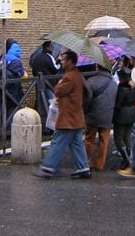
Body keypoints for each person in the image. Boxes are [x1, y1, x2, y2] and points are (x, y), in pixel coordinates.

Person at [33, 50, 92, 179]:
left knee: (57, 142)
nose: (61, 61)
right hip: (76, 116)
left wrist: (59, 84)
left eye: (64, 59)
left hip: (68, 117)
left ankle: (48, 167)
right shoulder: (77, 74)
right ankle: (83, 168)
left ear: (70, 61)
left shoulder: (70, 76)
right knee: (76, 143)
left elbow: (59, 91)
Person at [84, 63, 118, 171]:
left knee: (89, 139)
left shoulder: (91, 81)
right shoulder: (114, 83)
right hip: (107, 116)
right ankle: (100, 164)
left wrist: (85, 111)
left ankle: (88, 162)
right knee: (104, 141)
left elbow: (87, 99)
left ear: (97, 67)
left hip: (92, 116)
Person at [31, 40, 59, 133]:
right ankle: (51, 128)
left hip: (39, 84)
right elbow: (55, 69)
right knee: (52, 105)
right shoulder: (49, 57)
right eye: (51, 46)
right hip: (49, 84)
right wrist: (59, 61)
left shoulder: (36, 58)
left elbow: (34, 71)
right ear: (47, 47)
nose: (53, 48)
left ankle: (40, 126)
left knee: (41, 104)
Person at [112, 68, 135, 168]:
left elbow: (118, 104)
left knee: (118, 138)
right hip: (131, 114)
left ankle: (126, 159)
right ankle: (128, 157)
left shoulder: (121, 89)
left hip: (121, 115)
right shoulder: (132, 87)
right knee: (127, 137)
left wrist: (113, 115)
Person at [0, 38, 25, 119]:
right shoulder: (15, 59)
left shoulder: (2, 57)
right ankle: (11, 128)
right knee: (13, 109)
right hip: (13, 88)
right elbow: (21, 73)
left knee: (4, 108)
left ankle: (3, 127)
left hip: (1, 87)